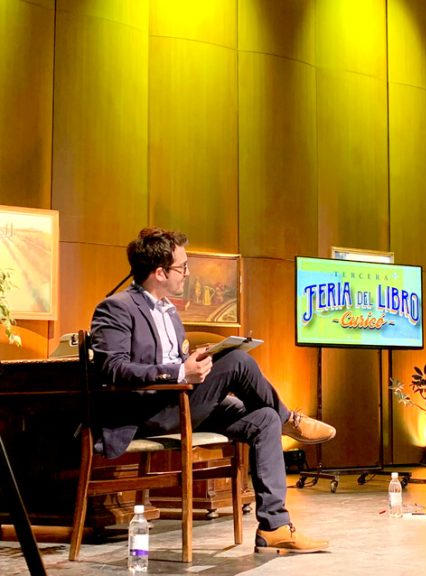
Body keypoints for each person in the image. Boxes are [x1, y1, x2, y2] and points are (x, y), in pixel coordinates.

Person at [90, 227, 335, 553]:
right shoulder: (116, 307)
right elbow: (113, 368)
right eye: (182, 267)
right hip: (148, 412)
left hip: (182, 404)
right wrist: (179, 370)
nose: (187, 273)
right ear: (160, 272)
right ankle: (290, 418)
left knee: (263, 419)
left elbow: (173, 361)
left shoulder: (169, 311)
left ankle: (274, 527)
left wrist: (194, 362)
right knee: (235, 361)